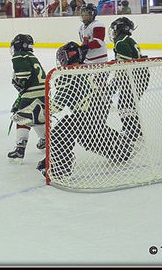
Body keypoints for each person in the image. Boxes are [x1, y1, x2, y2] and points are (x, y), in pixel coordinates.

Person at [36, 42, 132, 177]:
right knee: (89, 137)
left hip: (87, 111)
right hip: (99, 107)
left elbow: (59, 103)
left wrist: (44, 110)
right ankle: (121, 148)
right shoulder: (85, 68)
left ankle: (60, 166)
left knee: (61, 131)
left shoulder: (68, 73)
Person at [7, 34, 47, 164]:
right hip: (44, 93)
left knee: (22, 118)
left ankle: (20, 149)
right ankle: (45, 141)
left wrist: (19, 82)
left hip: (32, 95)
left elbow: (23, 77)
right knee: (37, 117)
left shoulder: (19, 55)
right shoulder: (32, 56)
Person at [109, 17, 148, 142]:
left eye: (114, 29)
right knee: (129, 104)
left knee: (124, 105)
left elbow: (127, 65)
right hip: (140, 75)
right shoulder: (128, 39)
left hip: (134, 77)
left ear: (120, 29)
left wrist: (116, 82)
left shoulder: (121, 42)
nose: (113, 33)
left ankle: (132, 132)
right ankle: (136, 130)